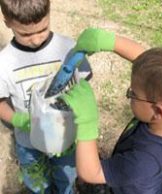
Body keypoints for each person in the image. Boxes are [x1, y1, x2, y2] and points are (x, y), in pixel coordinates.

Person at [61, 28, 162, 194]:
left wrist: (87, 121)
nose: (130, 94)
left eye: (133, 94)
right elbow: (155, 72)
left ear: (158, 112)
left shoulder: (144, 161)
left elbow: (91, 173)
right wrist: (109, 41)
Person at [0, 0, 91, 193]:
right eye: (25, 33)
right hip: (28, 141)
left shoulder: (68, 48)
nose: (35, 39)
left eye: (42, 29)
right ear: (7, 21)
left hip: (65, 136)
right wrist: (18, 119)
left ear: (50, 13)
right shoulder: (4, 62)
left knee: (67, 178)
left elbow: (84, 82)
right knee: (37, 182)